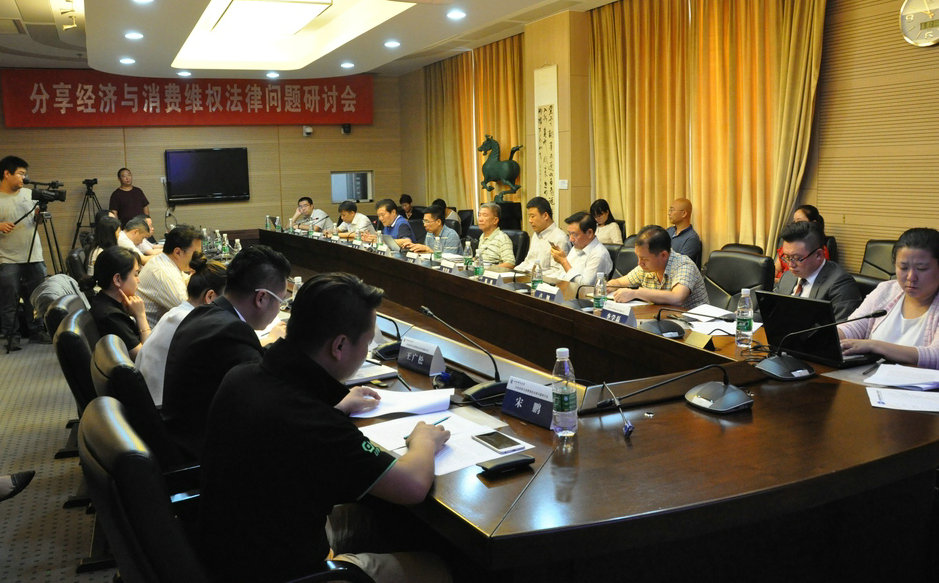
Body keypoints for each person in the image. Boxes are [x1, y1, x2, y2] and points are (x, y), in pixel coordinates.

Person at [200, 272, 452, 583]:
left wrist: (337, 407)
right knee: (441, 567)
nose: (366, 351)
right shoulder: (316, 423)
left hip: (228, 552)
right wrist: (424, 440)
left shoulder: (241, 376)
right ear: (340, 345)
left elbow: (289, 427)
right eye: (367, 342)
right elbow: (413, 485)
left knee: (380, 519)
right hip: (286, 573)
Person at [162, 245, 290, 458]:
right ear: (261, 298)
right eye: (281, 301)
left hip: (181, 437)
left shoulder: (204, 313)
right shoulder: (232, 331)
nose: (279, 308)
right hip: (203, 455)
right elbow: (267, 400)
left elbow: (250, 366)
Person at [840, 228, 939, 369]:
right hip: (868, 377)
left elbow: (935, 356)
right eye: (903, 268)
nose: (911, 277)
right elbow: (852, 327)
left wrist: (873, 345)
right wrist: (830, 336)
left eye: (921, 268)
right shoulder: (887, 291)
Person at [135, 257, 227, 407]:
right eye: (227, 299)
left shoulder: (177, 313)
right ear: (210, 297)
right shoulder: (194, 323)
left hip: (147, 401)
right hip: (160, 408)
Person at [0, 155, 49, 350]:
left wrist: (39, 216)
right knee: (9, 298)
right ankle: (11, 336)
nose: (24, 178)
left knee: (37, 296)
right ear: (7, 173)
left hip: (34, 255)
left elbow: (38, 222)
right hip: (7, 258)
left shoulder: (30, 194)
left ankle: (37, 330)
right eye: (20, 173)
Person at [773, 221, 861, 320]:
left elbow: (842, 326)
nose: (790, 265)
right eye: (787, 257)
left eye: (797, 258)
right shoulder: (788, 276)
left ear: (819, 255)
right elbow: (771, 311)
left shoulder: (841, 284)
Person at [609, 224, 708, 309]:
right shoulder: (645, 268)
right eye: (638, 257)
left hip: (694, 322)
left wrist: (635, 293)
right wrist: (609, 286)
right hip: (663, 319)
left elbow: (677, 298)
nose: (639, 263)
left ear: (664, 255)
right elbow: (619, 282)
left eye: (644, 259)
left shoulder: (684, 265)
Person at [136, 225, 203, 328]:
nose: (199, 258)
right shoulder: (163, 272)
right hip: (152, 333)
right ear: (177, 252)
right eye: (195, 254)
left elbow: (185, 280)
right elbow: (191, 312)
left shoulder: (165, 261)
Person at [89, 246, 151, 358]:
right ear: (117, 279)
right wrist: (141, 316)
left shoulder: (103, 299)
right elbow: (146, 357)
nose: (138, 280)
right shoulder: (111, 316)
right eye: (136, 274)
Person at [550, 211, 612, 286]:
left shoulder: (599, 255)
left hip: (579, 293)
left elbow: (585, 286)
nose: (570, 239)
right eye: (569, 234)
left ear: (589, 233)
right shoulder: (576, 247)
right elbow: (562, 274)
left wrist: (564, 262)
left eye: (574, 234)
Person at [516, 196, 570, 275]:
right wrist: (513, 272)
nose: (530, 220)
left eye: (532, 216)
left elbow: (558, 272)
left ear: (545, 216)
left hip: (542, 280)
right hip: (529, 277)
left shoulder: (560, 238)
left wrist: (535, 276)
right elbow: (528, 262)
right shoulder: (536, 235)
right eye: (529, 217)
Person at [774, 204, 830, 278]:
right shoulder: (787, 247)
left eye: (798, 258)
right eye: (794, 221)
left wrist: (780, 281)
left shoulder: (818, 251)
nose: (791, 265)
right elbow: (776, 269)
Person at [476, 202, 515, 268]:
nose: (480, 219)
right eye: (479, 215)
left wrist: (489, 269)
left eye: (485, 215)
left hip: (493, 273)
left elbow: (510, 263)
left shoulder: (502, 238)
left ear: (495, 220)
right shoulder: (482, 236)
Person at [666, 198, 702, 267]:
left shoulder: (691, 238)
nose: (669, 213)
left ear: (684, 213)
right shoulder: (668, 231)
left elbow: (680, 264)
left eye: (672, 210)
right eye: (669, 210)